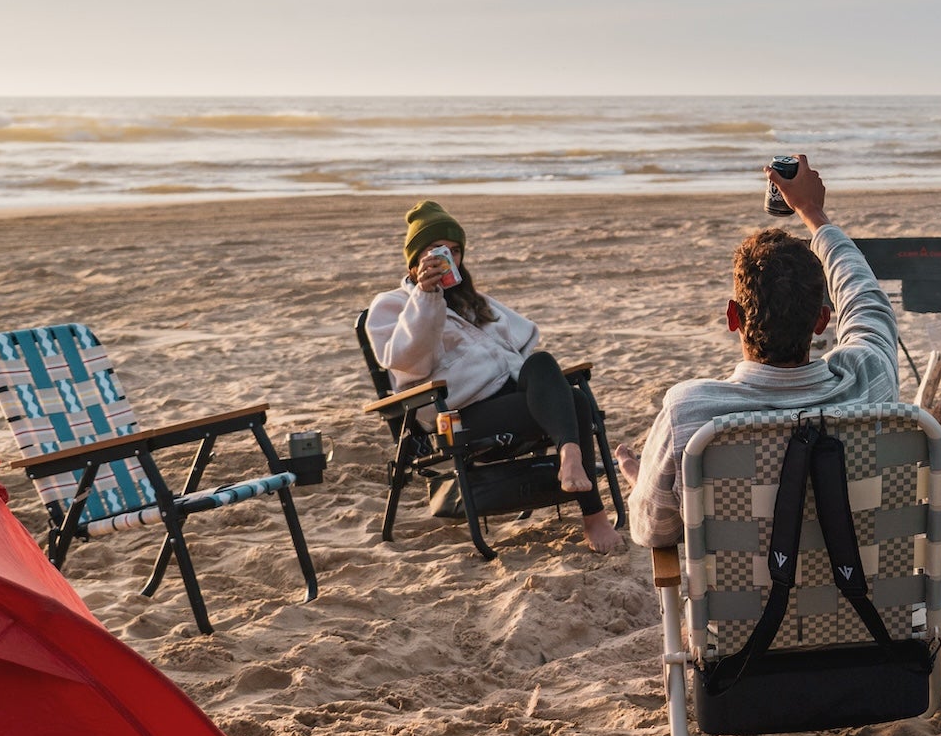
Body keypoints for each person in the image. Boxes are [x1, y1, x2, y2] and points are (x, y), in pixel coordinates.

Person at [624, 156, 899, 549]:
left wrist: (643, 488)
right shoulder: (870, 377)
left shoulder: (690, 415)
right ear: (822, 321)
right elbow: (867, 302)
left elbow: (654, 532)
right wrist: (812, 211)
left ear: (732, 316)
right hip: (866, 602)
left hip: (748, 611)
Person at [367, 200, 625, 553]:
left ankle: (569, 456)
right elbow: (411, 361)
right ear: (415, 260)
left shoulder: (470, 300)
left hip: (507, 396)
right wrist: (427, 298)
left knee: (546, 365)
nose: (449, 257)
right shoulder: (390, 306)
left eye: (455, 250)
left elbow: (520, 340)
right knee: (575, 402)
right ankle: (594, 517)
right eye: (436, 249)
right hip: (458, 413)